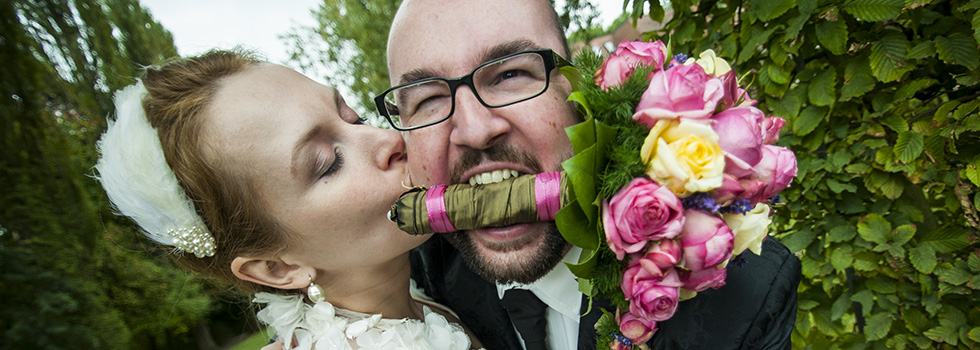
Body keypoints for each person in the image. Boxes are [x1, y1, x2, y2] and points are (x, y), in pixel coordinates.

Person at [381, 0, 802, 349]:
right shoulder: (412, 273)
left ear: (579, 91)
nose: (474, 130)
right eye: (427, 99)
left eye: (511, 74)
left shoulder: (744, 301)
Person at [94, 50, 484, 350]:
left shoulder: (424, 294)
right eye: (329, 163)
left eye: (353, 118)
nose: (389, 139)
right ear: (277, 267)